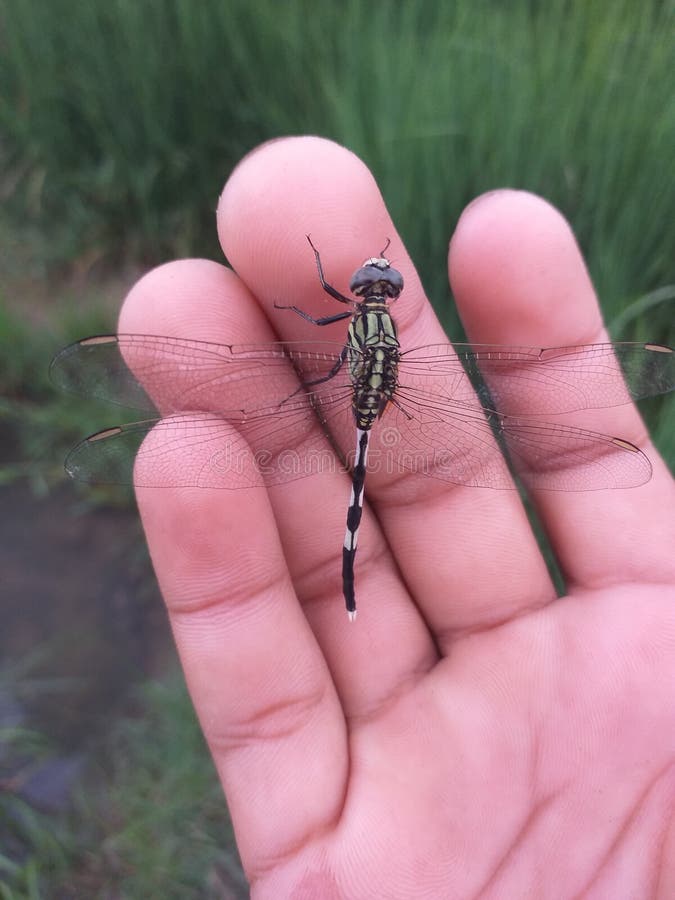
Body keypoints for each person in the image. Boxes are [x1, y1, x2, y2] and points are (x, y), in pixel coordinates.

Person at [119, 137, 675, 898]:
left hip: (362, 403)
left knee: (322, 470)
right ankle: (349, 559)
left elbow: (313, 315)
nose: (371, 283)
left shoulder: (348, 319)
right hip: (384, 403)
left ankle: (350, 562)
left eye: (372, 281)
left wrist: (304, 305)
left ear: (362, 297)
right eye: (372, 280)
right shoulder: (385, 334)